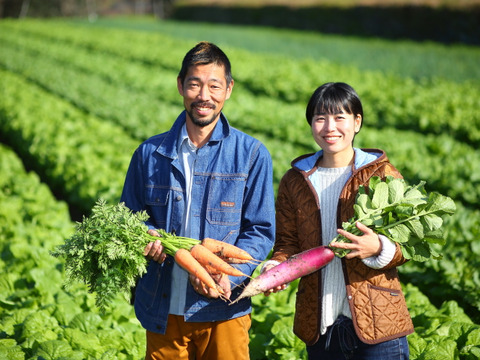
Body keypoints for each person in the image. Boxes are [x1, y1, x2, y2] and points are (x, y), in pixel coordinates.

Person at [120, 41, 275, 360]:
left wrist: (229, 273)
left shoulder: (251, 155)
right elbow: (129, 219)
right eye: (195, 84)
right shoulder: (149, 154)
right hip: (163, 310)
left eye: (214, 85)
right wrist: (144, 236)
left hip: (223, 309)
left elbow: (260, 230)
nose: (204, 95)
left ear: (228, 89)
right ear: (180, 86)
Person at [264, 82, 414, 359]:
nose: (330, 127)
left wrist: (380, 248)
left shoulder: (382, 174)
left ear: (357, 122)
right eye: (320, 118)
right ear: (311, 124)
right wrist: (277, 265)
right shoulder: (294, 181)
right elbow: (287, 241)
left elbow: (409, 243)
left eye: (339, 117)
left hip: (378, 325)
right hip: (321, 328)